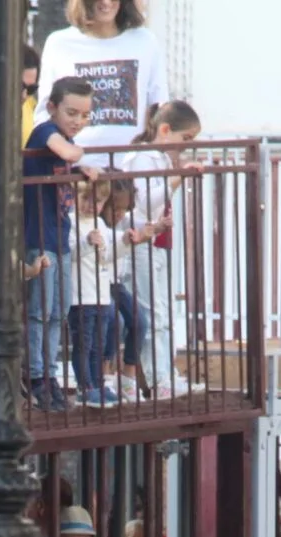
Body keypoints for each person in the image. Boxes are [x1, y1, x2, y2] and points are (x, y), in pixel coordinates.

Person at [24, 76, 98, 411]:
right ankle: (35, 375)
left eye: (85, 115)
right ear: (52, 107)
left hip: (60, 237)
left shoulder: (61, 138)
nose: (79, 121)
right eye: (72, 112)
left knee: (59, 311)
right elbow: (66, 150)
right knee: (40, 310)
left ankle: (50, 373)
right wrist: (79, 155)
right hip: (39, 236)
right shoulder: (44, 131)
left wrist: (79, 166)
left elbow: (66, 157)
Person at [115, 100, 197, 398]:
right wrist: (177, 179)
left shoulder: (158, 158)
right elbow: (143, 202)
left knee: (162, 311)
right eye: (185, 139)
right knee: (151, 311)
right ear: (165, 129)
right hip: (141, 241)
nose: (186, 146)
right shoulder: (142, 158)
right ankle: (156, 377)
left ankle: (165, 373)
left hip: (157, 241)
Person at [36, 0, 169, 159]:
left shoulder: (146, 41)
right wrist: (66, 153)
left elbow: (160, 106)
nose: (106, 2)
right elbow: (44, 111)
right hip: (77, 170)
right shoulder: (58, 43)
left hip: (133, 169)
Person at [69, 178, 133, 406]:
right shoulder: (71, 221)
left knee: (98, 344)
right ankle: (84, 388)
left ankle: (97, 385)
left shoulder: (99, 222)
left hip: (101, 295)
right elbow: (69, 254)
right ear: (75, 197)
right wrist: (87, 242)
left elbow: (106, 255)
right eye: (85, 199)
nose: (90, 205)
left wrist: (125, 243)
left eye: (96, 201)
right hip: (81, 296)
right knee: (84, 344)